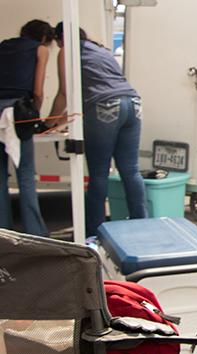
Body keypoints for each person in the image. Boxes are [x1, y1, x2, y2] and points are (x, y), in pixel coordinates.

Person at [49, 23, 146, 237]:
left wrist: (49, 123)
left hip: (105, 108)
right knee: (130, 170)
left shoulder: (68, 50)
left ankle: (94, 231)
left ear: (61, 38)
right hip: (133, 104)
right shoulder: (101, 49)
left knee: (99, 172)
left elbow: (64, 93)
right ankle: (142, 224)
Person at [0, 20, 53, 236]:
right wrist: (35, 116)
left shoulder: (2, 46)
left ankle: (3, 232)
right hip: (18, 112)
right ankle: (35, 233)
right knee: (26, 174)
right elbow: (38, 91)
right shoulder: (40, 50)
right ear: (43, 38)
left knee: (0, 175)